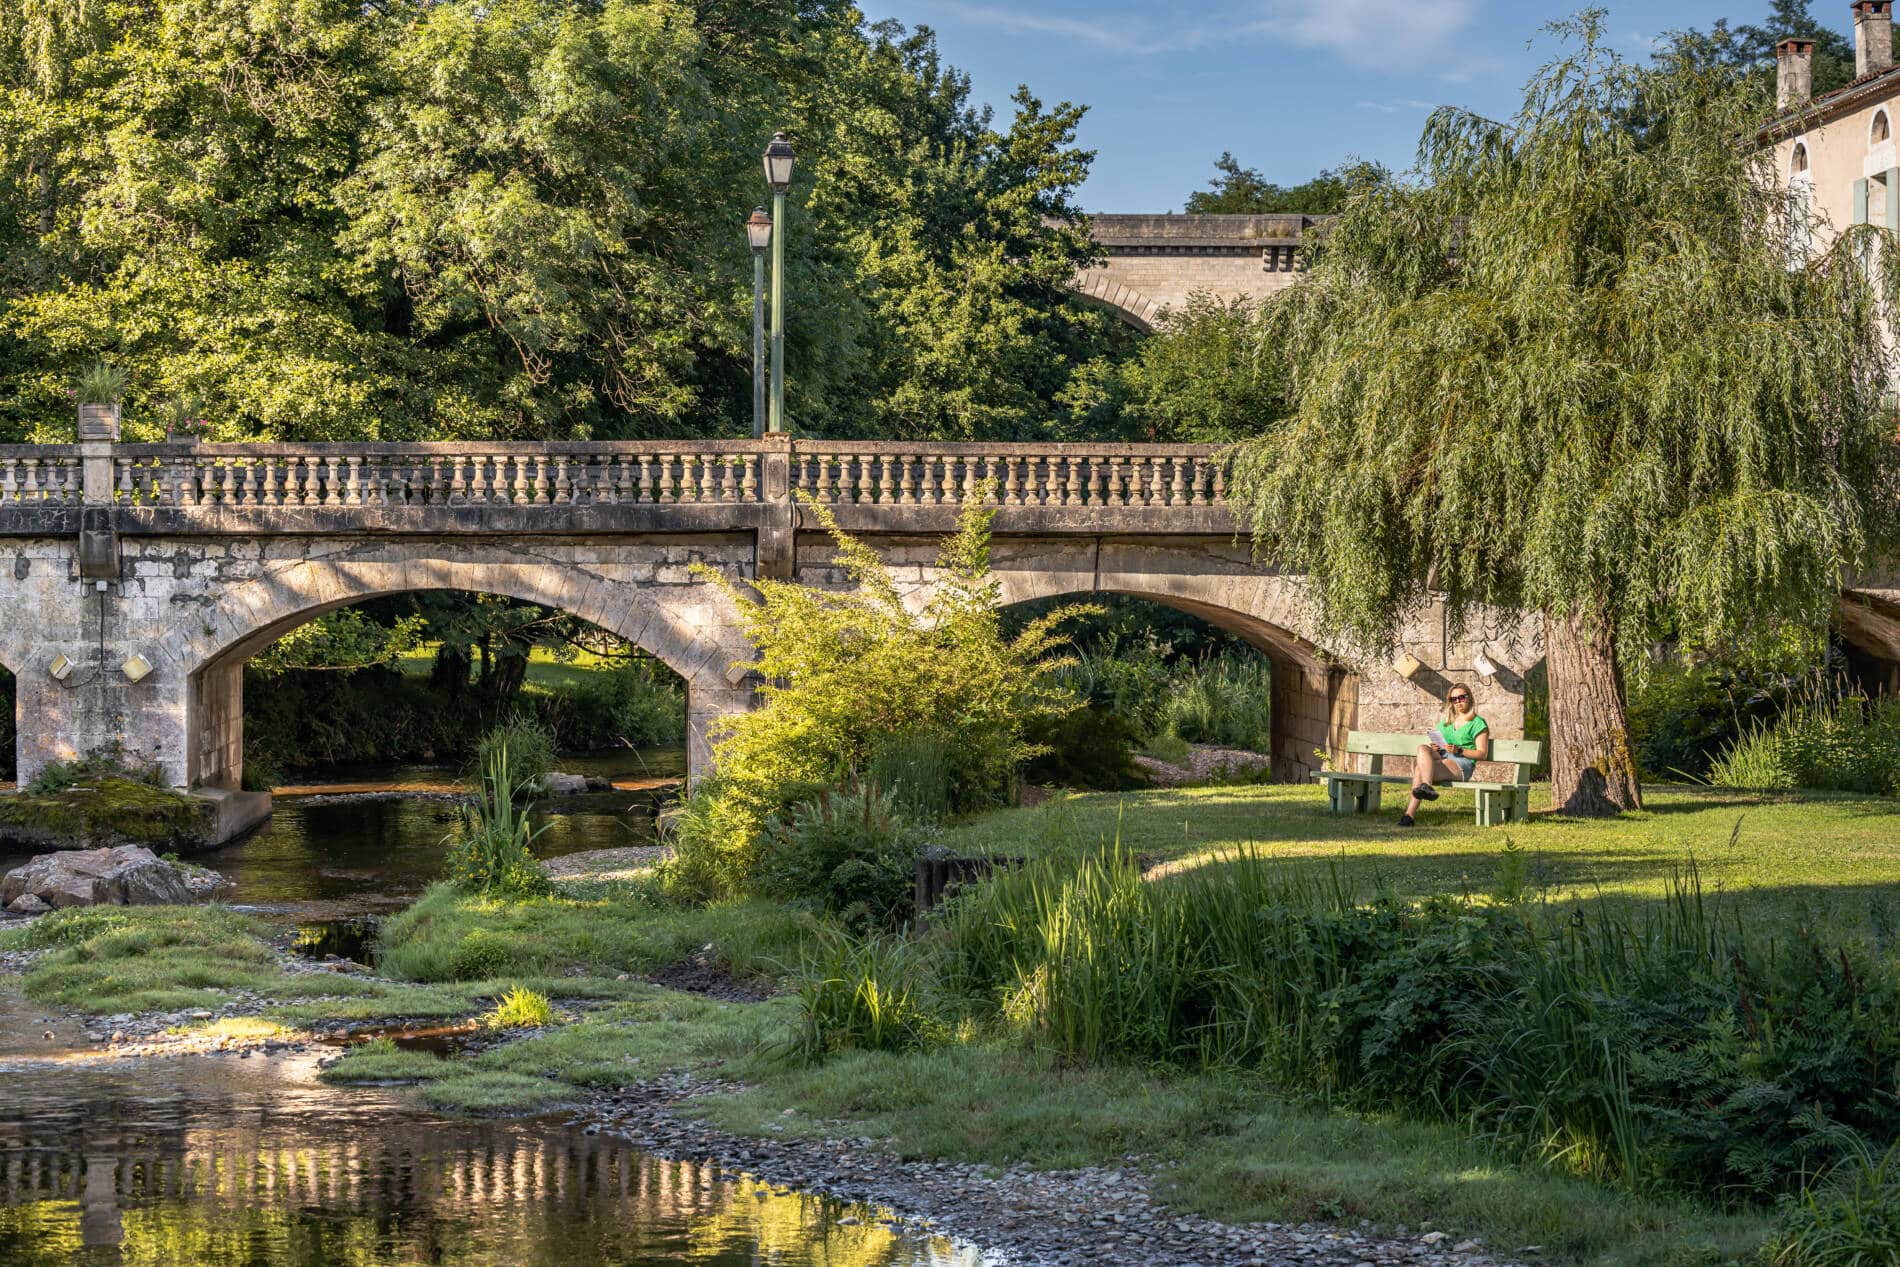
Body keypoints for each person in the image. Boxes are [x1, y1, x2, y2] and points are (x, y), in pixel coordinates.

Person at [1397, 685, 1489, 827]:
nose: (1458, 701)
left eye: (1461, 697)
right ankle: (1426, 787)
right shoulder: (1445, 723)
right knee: (1422, 748)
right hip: (1444, 757)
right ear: (1450, 702)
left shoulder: (1477, 723)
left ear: (1469, 698)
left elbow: (1482, 753)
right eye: (1454, 699)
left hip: (1462, 763)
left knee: (1419, 770)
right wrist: (1436, 747)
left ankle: (1409, 815)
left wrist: (1460, 750)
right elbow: (1440, 746)